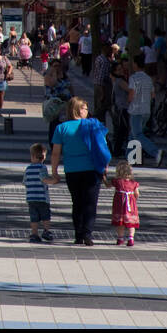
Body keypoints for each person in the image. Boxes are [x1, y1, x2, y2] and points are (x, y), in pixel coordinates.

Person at [49, 96, 110, 246]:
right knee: (90, 203)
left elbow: (56, 153)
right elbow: (102, 148)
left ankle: (78, 235)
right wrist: (105, 167)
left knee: (77, 203)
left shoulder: (61, 128)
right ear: (79, 110)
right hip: (92, 169)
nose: (87, 111)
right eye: (86, 108)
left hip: (72, 170)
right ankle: (87, 234)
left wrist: (54, 172)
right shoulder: (94, 126)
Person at [126, 54, 164, 167]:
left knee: (137, 134)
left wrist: (129, 101)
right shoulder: (148, 78)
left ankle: (155, 152)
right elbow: (153, 95)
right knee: (133, 134)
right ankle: (131, 159)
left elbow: (131, 95)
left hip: (136, 110)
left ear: (135, 64)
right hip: (146, 110)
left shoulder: (133, 78)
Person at [23, 142, 56, 243]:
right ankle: (46, 231)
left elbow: (24, 182)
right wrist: (53, 181)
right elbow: (44, 179)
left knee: (34, 217)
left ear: (32, 156)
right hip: (42, 197)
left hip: (31, 198)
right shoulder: (42, 168)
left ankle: (34, 234)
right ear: (43, 157)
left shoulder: (28, 169)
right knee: (45, 215)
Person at [106, 160, 140, 246]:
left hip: (119, 205)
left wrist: (104, 177)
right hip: (130, 205)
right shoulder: (134, 183)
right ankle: (131, 238)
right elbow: (137, 194)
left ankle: (120, 238)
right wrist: (134, 199)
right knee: (131, 223)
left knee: (120, 223)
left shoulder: (117, 181)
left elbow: (107, 185)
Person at [42, 59, 72, 144]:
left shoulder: (65, 76)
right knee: (54, 124)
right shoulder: (48, 75)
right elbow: (52, 84)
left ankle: (62, 142)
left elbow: (70, 87)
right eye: (55, 66)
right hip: (54, 103)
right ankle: (54, 143)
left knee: (64, 123)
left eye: (59, 66)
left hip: (65, 103)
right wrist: (54, 73)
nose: (57, 68)